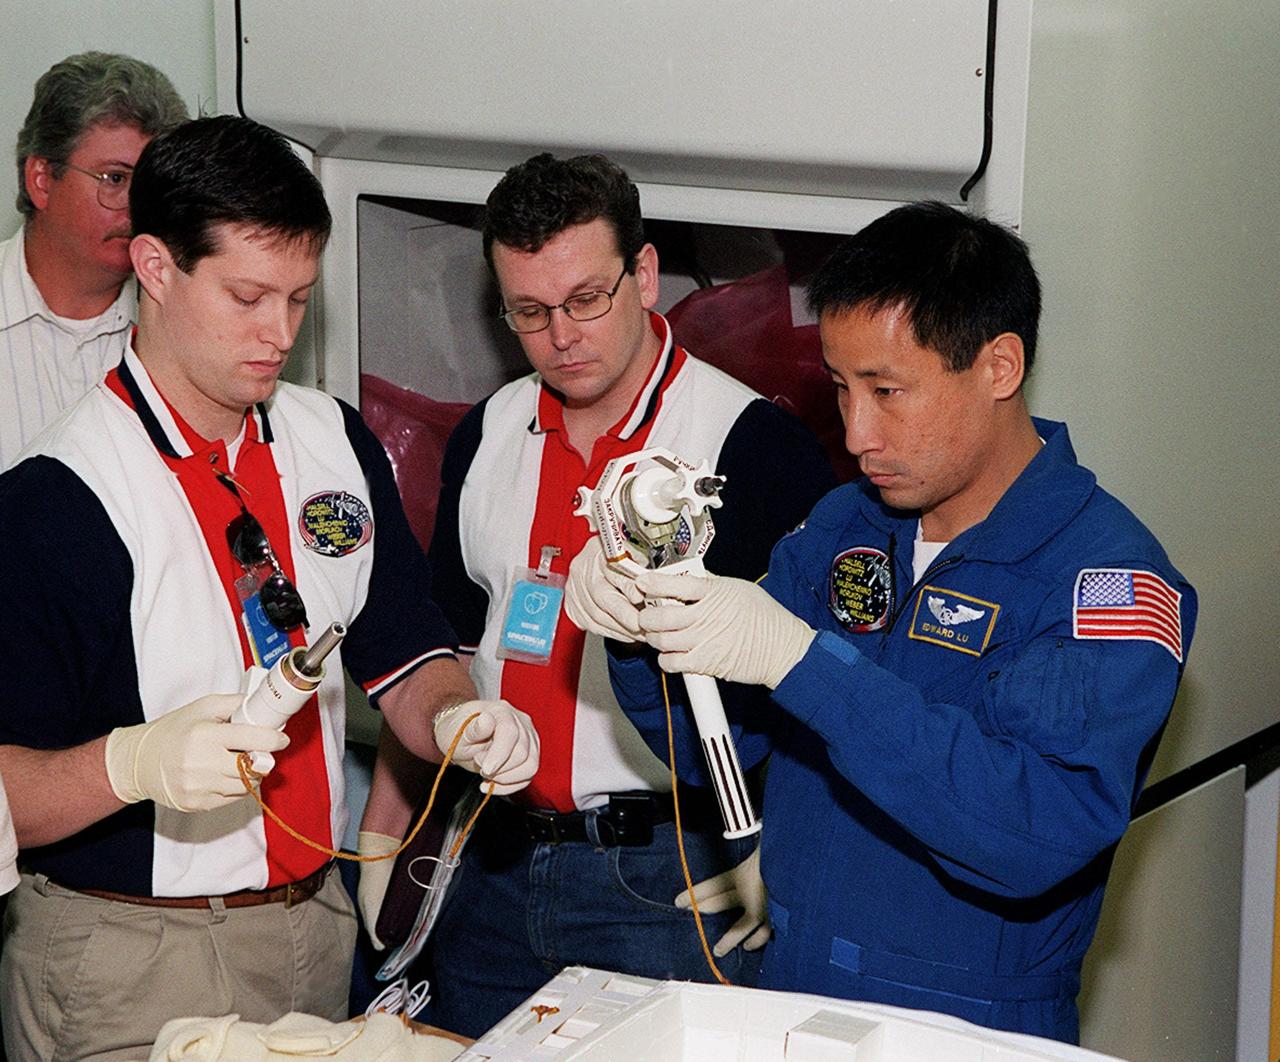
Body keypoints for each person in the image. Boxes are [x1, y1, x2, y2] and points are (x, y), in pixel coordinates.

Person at [571, 201, 1196, 1043]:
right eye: (839, 387)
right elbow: (716, 747)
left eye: (887, 391)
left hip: (969, 1023)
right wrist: (643, 631)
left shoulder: (1102, 579)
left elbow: (1033, 831)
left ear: (999, 366)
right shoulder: (844, 526)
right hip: (793, 989)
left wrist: (806, 663)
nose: (857, 433)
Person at [0, 115, 538, 1062]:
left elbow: (405, 660)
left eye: (298, 298)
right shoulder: (57, 501)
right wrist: (129, 766)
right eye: (248, 296)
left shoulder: (330, 443)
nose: (279, 333)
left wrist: (459, 719)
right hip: (126, 955)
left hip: (308, 931)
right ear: (156, 268)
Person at [358, 152, 835, 1037]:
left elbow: (818, 680)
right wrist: (389, 829)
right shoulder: (488, 434)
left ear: (645, 274)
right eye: (530, 312)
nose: (561, 336)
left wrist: (785, 850)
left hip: (666, 873)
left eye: (586, 300)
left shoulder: (752, 446)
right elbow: (449, 653)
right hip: (491, 860)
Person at [1, 50, 188, 469]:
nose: (136, 205)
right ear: (42, 180)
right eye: (115, 179)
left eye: (148, 184)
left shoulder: (185, 328)